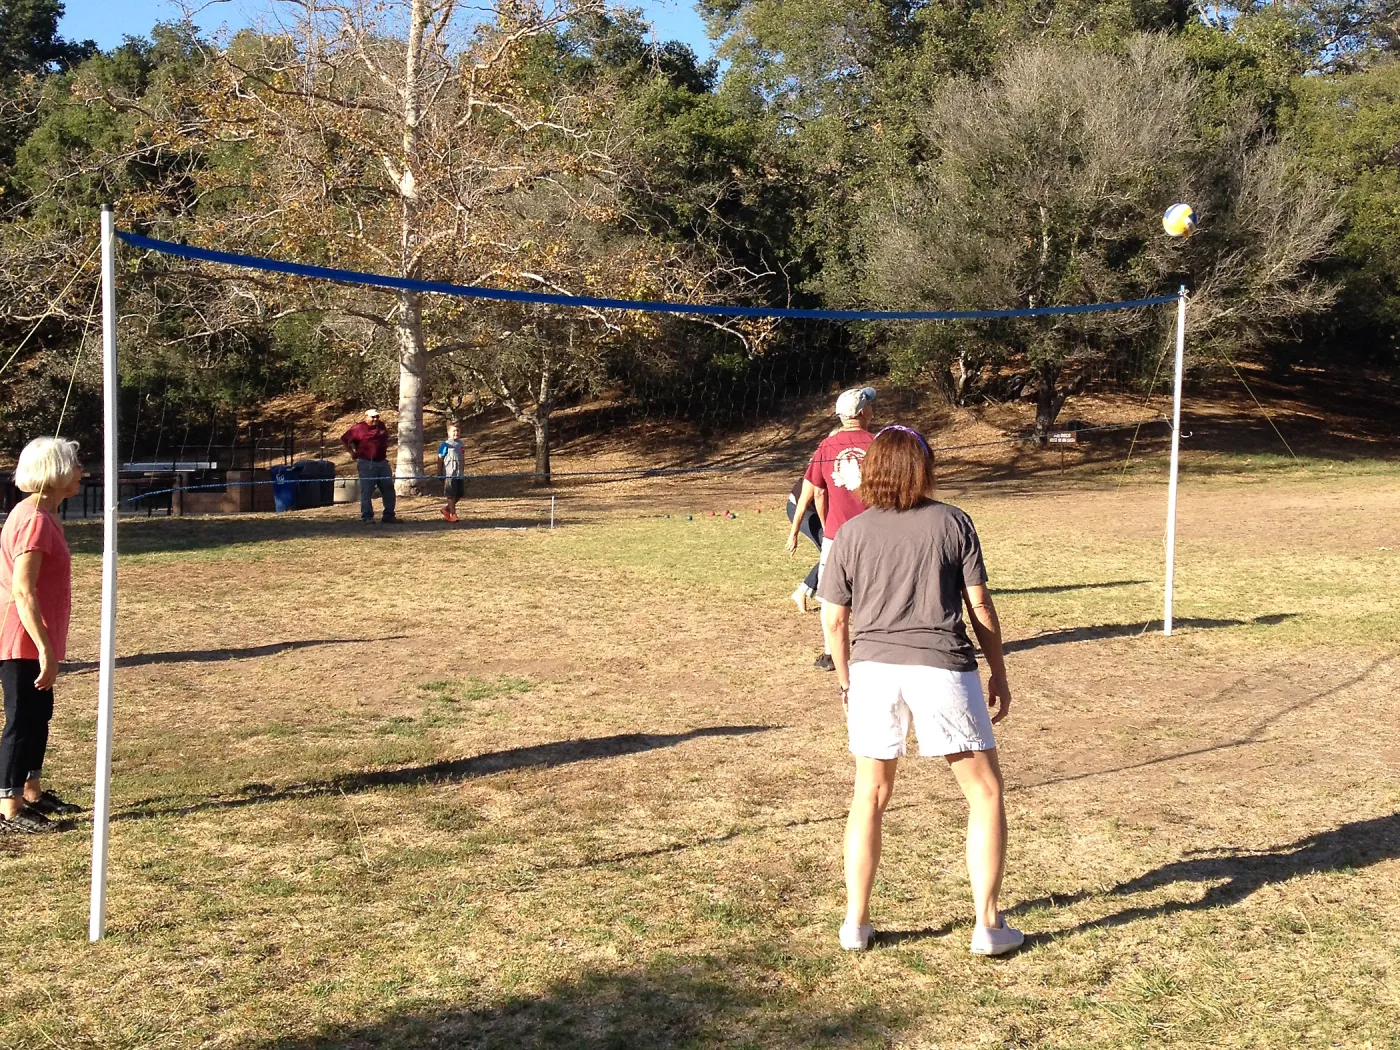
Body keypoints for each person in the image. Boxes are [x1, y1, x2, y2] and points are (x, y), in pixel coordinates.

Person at [817, 424, 1021, 957]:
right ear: (924, 468)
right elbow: (980, 605)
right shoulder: (954, 522)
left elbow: (834, 620)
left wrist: (846, 681)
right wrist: (998, 672)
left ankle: (855, 923)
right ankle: (987, 925)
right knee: (985, 792)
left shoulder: (851, 533)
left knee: (869, 795)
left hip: (872, 671)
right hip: (943, 668)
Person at [0, 437, 85, 834]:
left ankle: (31, 791)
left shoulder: (45, 515)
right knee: (22, 719)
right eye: (75, 463)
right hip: (21, 635)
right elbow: (23, 590)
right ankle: (9, 807)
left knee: (39, 715)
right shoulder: (33, 520)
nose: (81, 470)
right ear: (55, 471)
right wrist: (44, 649)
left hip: (37, 635)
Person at [786, 386, 876, 670]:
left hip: (837, 534)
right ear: (862, 412)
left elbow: (818, 491)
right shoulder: (879, 444)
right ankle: (875, 648)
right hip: (875, 533)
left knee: (832, 597)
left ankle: (830, 654)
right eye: (870, 405)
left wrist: (826, 528)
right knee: (876, 592)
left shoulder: (826, 447)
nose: (872, 409)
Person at [341, 409, 399, 524]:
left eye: (377, 417)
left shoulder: (381, 426)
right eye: (372, 417)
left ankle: (389, 515)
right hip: (367, 463)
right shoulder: (358, 428)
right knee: (367, 490)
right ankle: (367, 516)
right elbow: (344, 439)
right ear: (366, 417)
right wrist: (352, 453)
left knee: (388, 488)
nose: (375, 419)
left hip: (382, 462)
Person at [785, 478, 822, 612]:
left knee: (837, 551)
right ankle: (803, 591)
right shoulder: (817, 473)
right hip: (799, 508)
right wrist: (793, 534)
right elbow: (802, 506)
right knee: (832, 550)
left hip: (819, 509)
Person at [439, 422, 466, 523]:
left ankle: (446, 509)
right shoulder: (445, 444)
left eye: (458, 431)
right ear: (448, 432)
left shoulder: (461, 444)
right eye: (454, 431)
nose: (456, 433)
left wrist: (463, 469)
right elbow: (440, 458)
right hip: (449, 473)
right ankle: (453, 514)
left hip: (459, 473)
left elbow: (462, 457)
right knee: (450, 494)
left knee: (459, 494)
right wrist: (439, 472)